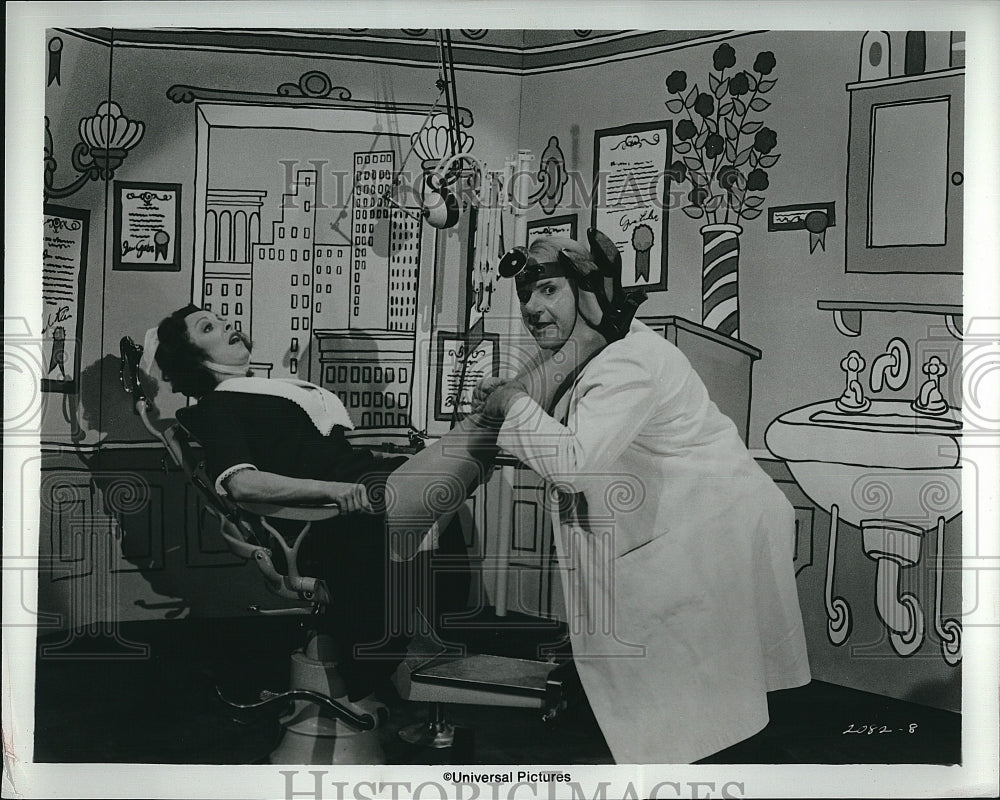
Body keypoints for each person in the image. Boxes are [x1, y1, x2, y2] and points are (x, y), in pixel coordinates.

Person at [150, 277, 618, 715]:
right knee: (491, 420)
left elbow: (311, 452)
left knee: (490, 424)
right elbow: (241, 484)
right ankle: (591, 336)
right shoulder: (216, 408)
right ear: (192, 356)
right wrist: (338, 490)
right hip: (342, 518)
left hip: (372, 492)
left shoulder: (269, 391)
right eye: (209, 326)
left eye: (221, 318)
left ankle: (584, 341)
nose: (229, 325)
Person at [474, 230, 811, 764]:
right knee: (692, 692)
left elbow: (575, 463)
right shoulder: (599, 349)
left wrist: (513, 405)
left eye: (548, 291)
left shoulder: (626, 361)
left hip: (711, 528)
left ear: (587, 294)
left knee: (697, 705)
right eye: (525, 295)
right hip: (690, 520)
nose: (533, 308)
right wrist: (517, 401)